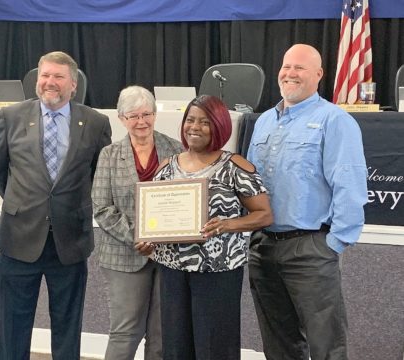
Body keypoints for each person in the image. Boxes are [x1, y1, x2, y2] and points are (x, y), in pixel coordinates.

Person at [0, 51, 112, 359]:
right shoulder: (11, 116)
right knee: (12, 329)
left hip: (70, 242)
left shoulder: (95, 122)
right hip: (18, 239)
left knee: (68, 329)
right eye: (45, 75)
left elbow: (101, 174)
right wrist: (23, 201)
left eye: (58, 76)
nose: (49, 82)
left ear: (73, 84)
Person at [246, 44, 368, 360]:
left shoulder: (334, 120)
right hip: (263, 249)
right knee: (279, 346)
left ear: (318, 74)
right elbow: (247, 185)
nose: (290, 73)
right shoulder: (263, 122)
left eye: (299, 68)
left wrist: (334, 244)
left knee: (326, 346)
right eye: (286, 66)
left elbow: (350, 187)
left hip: (310, 250)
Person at [151, 95, 272, 360]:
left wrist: (228, 225)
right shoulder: (166, 167)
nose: (194, 127)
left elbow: (264, 215)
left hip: (217, 270)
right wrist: (148, 240)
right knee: (175, 346)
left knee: (214, 347)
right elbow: (155, 218)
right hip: (172, 270)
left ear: (219, 126)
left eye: (205, 122)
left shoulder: (236, 166)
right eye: (190, 120)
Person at [91, 86, 183, 360]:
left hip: (168, 255)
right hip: (123, 256)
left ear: (155, 115)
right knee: (125, 333)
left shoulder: (175, 149)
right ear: (121, 119)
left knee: (163, 334)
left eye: (147, 114)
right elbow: (101, 207)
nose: (141, 121)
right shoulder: (109, 154)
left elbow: (182, 202)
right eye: (133, 116)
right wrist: (137, 237)